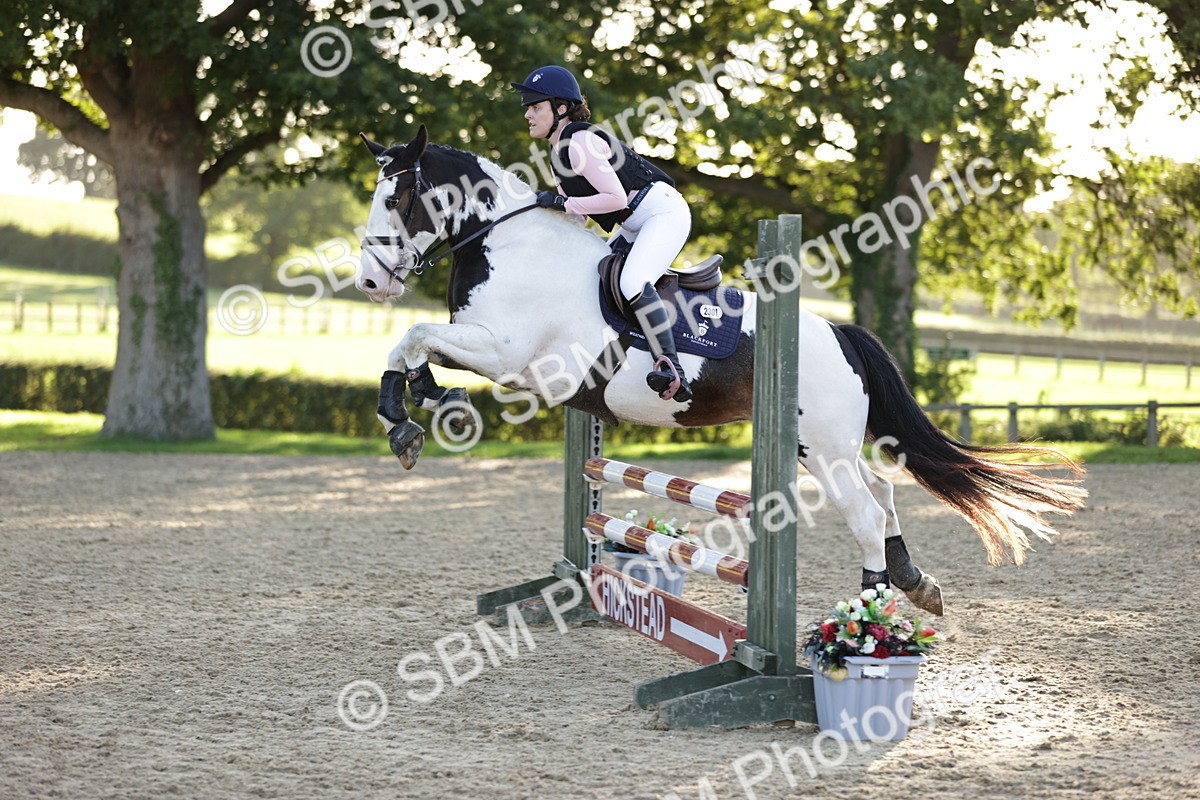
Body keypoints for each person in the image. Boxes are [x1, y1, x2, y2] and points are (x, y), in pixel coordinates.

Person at [511, 65, 693, 403]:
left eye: (536, 107)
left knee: (631, 283)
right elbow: (580, 216)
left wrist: (562, 203)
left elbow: (614, 198)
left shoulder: (579, 141)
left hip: (662, 213)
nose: (528, 114)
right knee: (590, 273)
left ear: (561, 108)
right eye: (528, 107)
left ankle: (672, 369)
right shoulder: (558, 151)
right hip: (635, 221)